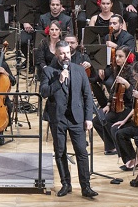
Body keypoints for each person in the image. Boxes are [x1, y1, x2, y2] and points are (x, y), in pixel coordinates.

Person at [39, 38, 97, 198]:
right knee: (60, 152)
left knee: (81, 152)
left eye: (67, 52)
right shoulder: (48, 71)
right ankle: (66, 184)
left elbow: (87, 96)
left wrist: (89, 118)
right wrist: (59, 81)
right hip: (57, 118)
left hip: (76, 118)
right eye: (62, 53)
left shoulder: (79, 70)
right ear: (56, 54)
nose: (66, 56)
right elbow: (44, 92)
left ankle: (86, 187)